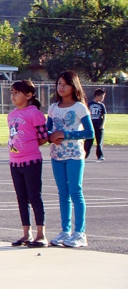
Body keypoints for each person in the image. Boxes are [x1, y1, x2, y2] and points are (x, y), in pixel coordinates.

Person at [47, 71, 94, 248]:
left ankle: (80, 233)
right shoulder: (53, 108)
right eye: (59, 84)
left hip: (74, 155)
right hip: (56, 155)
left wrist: (66, 134)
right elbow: (47, 131)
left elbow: (89, 133)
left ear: (73, 86)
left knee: (75, 191)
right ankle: (65, 231)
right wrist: (51, 136)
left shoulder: (79, 107)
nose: (61, 87)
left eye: (65, 84)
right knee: (62, 193)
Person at [7, 80, 49, 248]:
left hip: (31, 161)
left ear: (29, 95)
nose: (13, 96)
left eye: (17, 92)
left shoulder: (34, 113)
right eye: (12, 92)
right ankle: (26, 233)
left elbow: (43, 137)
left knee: (34, 197)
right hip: (15, 162)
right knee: (21, 198)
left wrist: (29, 146)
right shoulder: (11, 115)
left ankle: (41, 234)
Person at [85, 88, 106, 160]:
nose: (103, 98)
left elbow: (104, 116)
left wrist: (102, 125)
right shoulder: (89, 104)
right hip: (91, 125)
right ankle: (85, 154)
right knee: (89, 141)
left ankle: (100, 155)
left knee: (99, 142)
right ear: (97, 96)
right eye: (102, 97)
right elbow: (85, 115)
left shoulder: (102, 105)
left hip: (99, 126)